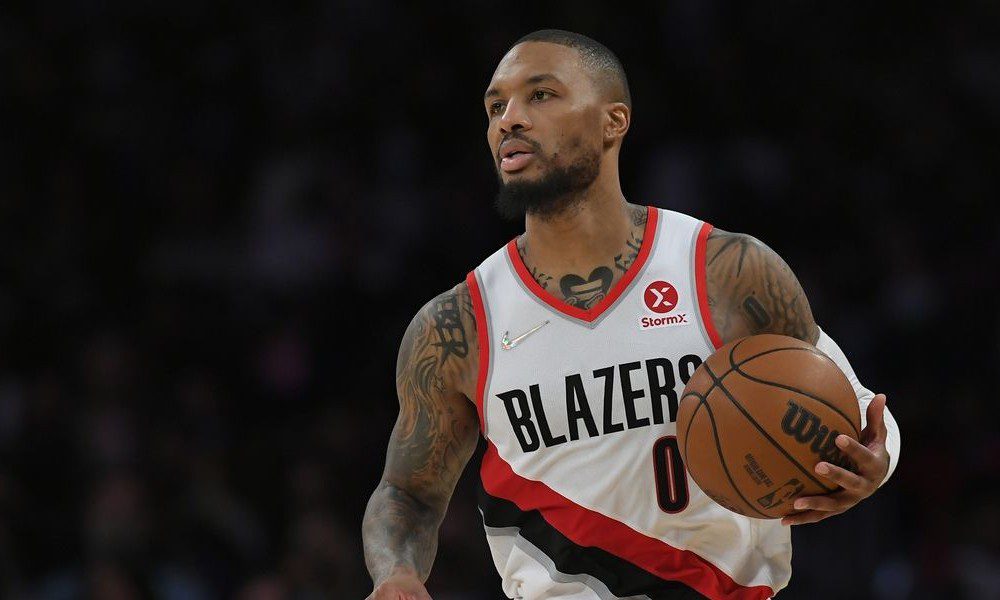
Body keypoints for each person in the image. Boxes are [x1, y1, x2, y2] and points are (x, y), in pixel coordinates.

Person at [362, 29, 901, 600]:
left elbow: (860, 410)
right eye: (496, 107)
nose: (509, 120)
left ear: (613, 121)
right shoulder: (458, 327)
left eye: (540, 95)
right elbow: (407, 493)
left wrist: (875, 463)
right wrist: (396, 572)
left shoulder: (725, 271)